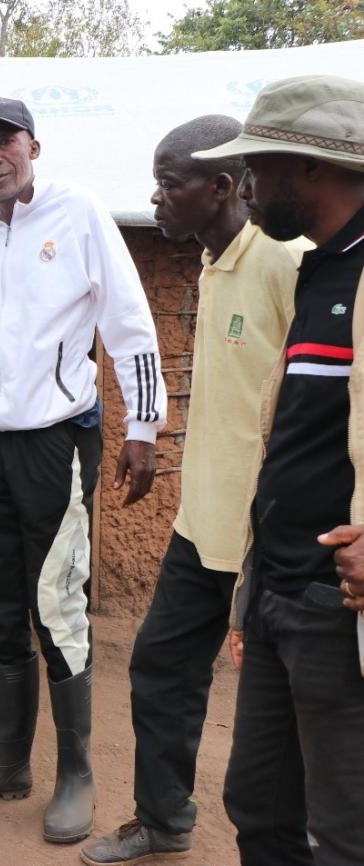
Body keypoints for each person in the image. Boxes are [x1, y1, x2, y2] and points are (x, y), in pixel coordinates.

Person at [0, 99, 167, 845]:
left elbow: (128, 319)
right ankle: (2, 760)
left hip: (57, 441)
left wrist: (146, 426)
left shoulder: (77, 211)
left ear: (34, 146)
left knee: (55, 602)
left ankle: (76, 774)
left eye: (5, 142)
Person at [81, 117, 305, 864]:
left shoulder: (286, 262)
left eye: (169, 183)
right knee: (160, 669)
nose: (155, 199)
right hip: (201, 524)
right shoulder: (213, 267)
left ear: (220, 187)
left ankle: (307, 836)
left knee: (290, 703)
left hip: (267, 535)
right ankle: (164, 819)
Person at [193, 74, 364, 866]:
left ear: (312, 168)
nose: (249, 186)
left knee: (345, 831)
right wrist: (250, 587)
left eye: (259, 166)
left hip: (338, 605)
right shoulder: (317, 271)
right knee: (258, 807)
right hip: (278, 593)